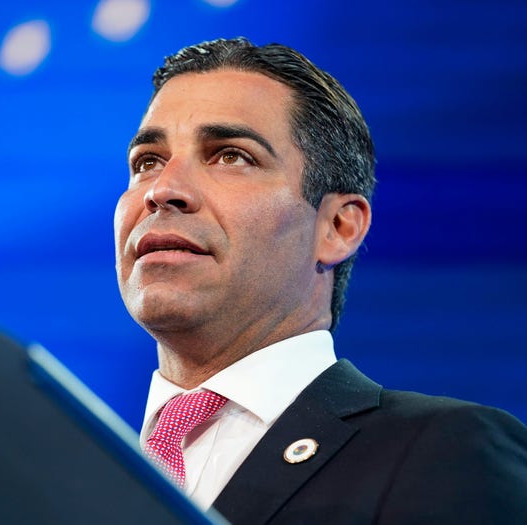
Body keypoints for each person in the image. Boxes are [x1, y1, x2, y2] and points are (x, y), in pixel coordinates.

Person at [113, 37, 527, 524]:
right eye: (147, 162)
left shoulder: (446, 450)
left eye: (230, 155)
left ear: (337, 228)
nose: (163, 190)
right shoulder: (59, 476)